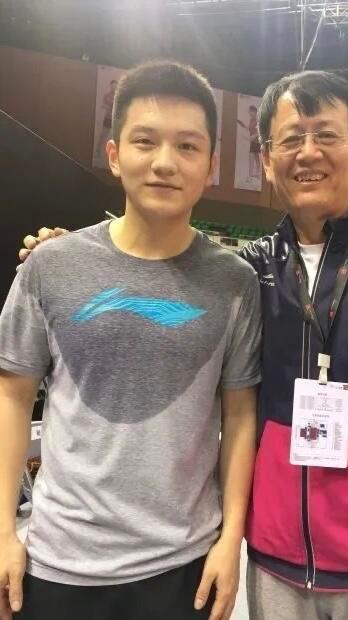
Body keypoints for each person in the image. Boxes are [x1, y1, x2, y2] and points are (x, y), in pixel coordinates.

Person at [17, 70, 348, 620]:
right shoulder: (244, 273)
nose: (308, 152)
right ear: (266, 159)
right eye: (291, 138)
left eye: (326, 134)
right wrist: (65, 255)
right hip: (276, 563)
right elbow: (153, 274)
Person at [0, 60, 261, 620]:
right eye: (146, 141)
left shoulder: (234, 282)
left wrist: (230, 540)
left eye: (187, 146)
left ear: (211, 165)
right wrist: (2, 533)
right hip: (58, 563)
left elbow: (240, 416)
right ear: (115, 154)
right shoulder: (51, 265)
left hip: (184, 567)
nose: (165, 162)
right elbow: (12, 397)